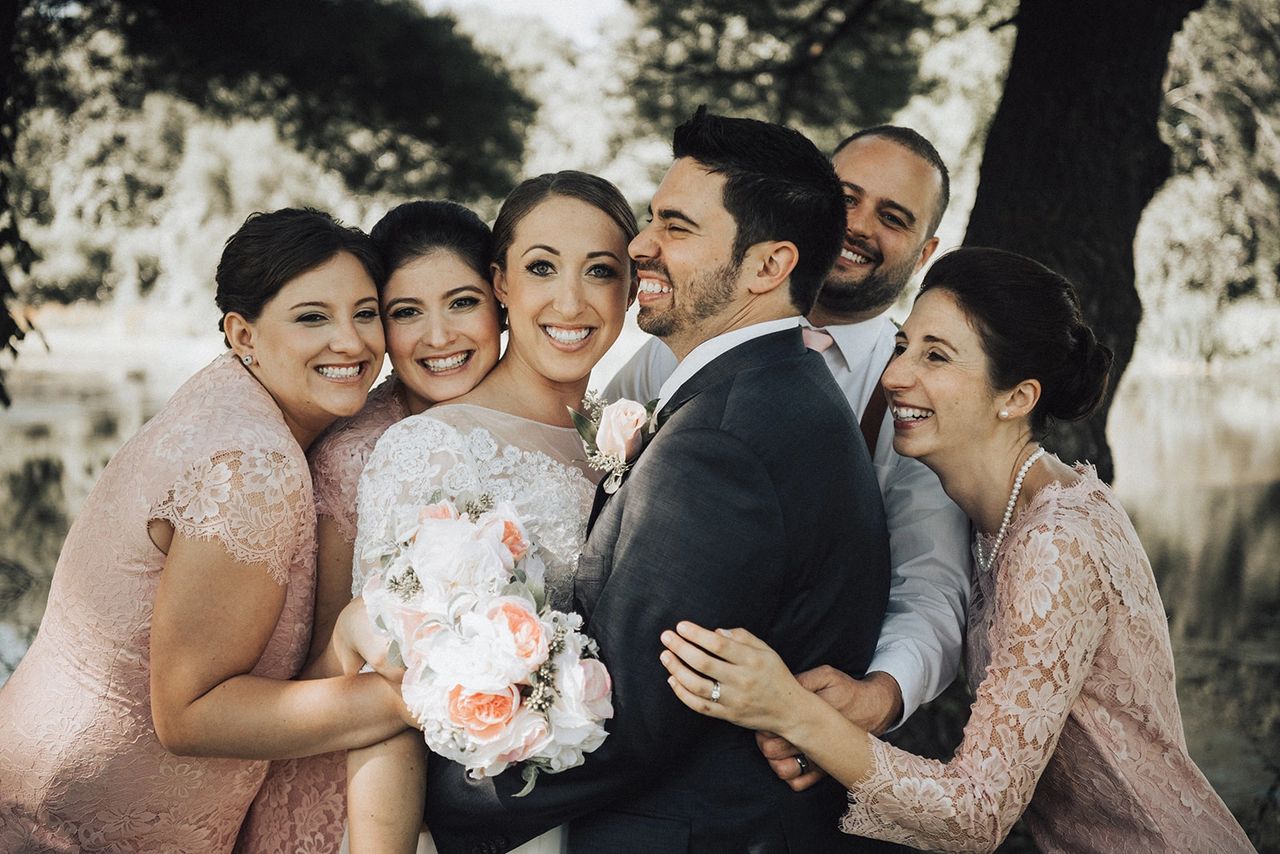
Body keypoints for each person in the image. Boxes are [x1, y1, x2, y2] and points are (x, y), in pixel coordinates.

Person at [659, 247, 1255, 852]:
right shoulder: (998, 511)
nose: (895, 377)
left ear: (1017, 398)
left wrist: (789, 709)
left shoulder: (1057, 541)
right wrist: (834, 734)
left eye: (936, 356)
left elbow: (976, 814)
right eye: (902, 347)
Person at [422, 108, 893, 853]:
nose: (640, 245)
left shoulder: (725, 436)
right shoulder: (778, 390)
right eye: (650, 218)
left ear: (769, 265)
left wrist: (439, 803)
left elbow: (631, 719)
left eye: (675, 227)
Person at [0, 209, 416, 851]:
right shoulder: (251, 465)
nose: (353, 343)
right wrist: (424, 697)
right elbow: (191, 716)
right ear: (242, 333)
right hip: (88, 824)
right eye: (312, 317)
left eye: (366, 314)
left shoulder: (227, 395)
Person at [607, 127, 971, 759]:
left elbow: (931, 581)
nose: (856, 225)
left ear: (924, 252)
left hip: (764, 743)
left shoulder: (910, 393)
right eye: (845, 197)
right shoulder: (678, 341)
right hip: (648, 700)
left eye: (891, 217)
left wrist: (869, 702)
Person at [335, 171, 636, 852]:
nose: (571, 300)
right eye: (541, 268)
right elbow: (390, 696)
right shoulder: (430, 449)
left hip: (605, 813)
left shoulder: (620, 435)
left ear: (633, 289)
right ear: (504, 285)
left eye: (600, 271)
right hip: (478, 820)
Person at [236, 200, 503, 852]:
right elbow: (326, 668)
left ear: (501, 302)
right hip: (362, 795)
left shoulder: (552, 422)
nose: (438, 336)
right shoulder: (353, 458)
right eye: (406, 313)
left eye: (462, 303)